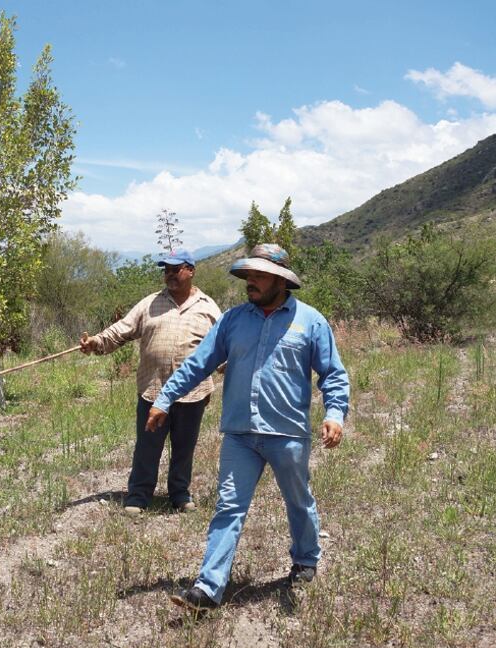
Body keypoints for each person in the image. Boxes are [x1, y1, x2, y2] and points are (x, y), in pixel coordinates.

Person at [145, 243, 350, 612]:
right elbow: (197, 365)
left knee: (298, 502)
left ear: (280, 280)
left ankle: (306, 559)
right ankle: (208, 588)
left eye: (258, 276)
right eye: (248, 275)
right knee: (228, 507)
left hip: (287, 433)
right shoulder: (233, 320)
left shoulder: (310, 321)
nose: (249, 283)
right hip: (239, 434)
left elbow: (333, 374)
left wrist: (334, 414)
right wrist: (164, 399)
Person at [80, 248, 222, 514]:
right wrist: (96, 343)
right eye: (166, 270)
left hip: (193, 393)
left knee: (184, 447)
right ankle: (138, 495)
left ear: (190, 270)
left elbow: (223, 344)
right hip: (153, 390)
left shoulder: (208, 307)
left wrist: (230, 366)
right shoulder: (149, 304)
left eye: (175, 269)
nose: (169, 274)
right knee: (147, 447)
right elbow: (121, 329)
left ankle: (180, 494)